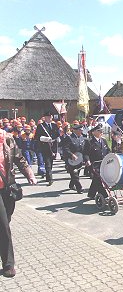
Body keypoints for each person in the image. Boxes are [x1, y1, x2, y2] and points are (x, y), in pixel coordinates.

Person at [0, 128, 37, 277]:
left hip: (7, 188)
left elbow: (19, 158)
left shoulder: (7, 139)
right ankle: (8, 263)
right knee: (3, 225)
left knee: (5, 222)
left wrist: (29, 173)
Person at [84, 124, 110, 200]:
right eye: (99, 131)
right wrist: (87, 160)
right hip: (94, 164)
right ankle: (105, 196)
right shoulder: (89, 142)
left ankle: (91, 194)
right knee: (98, 179)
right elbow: (85, 153)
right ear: (93, 132)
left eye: (101, 130)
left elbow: (108, 150)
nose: (101, 132)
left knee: (96, 179)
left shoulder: (104, 140)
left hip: (104, 163)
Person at [33, 111, 60, 186]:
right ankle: (50, 179)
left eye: (50, 117)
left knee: (50, 163)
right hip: (44, 146)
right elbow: (37, 137)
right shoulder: (41, 126)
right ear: (45, 118)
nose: (49, 118)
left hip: (53, 146)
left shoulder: (54, 125)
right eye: (47, 117)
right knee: (47, 162)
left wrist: (52, 138)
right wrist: (44, 138)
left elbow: (57, 134)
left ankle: (48, 176)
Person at [64, 124, 89, 194]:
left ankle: (71, 185)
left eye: (81, 130)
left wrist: (86, 159)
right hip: (71, 160)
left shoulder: (81, 138)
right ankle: (79, 188)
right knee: (75, 175)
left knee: (76, 174)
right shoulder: (69, 138)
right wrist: (71, 155)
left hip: (79, 159)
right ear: (75, 130)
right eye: (80, 130)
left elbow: (83, 149)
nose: (81, 131)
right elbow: (65, 149)